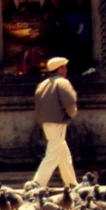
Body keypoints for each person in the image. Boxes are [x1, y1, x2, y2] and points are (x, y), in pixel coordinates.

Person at [32, 57, 78, 187]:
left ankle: (71, 182)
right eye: (64, 67)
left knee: (62, 152)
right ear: (60, 68)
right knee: (53, 153)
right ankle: (37, 182)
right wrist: (71, 115)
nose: (66, 69)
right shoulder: (62, 83)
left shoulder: (42, 84)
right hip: (58, 121)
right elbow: (70, 102)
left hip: (46, 122)